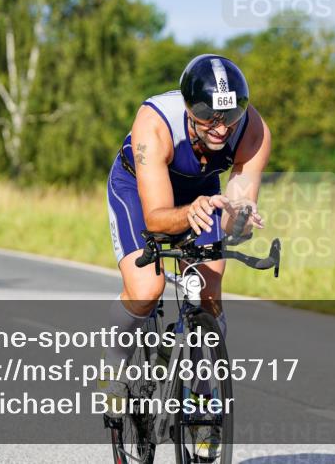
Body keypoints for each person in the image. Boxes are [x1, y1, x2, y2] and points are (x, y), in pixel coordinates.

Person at [101, 54, 271, 457]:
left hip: (202, 190)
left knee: (209, 293)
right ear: (188, 106)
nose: (219, 127)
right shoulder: (155, 123)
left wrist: (239, 216)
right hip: (139, 189)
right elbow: (158, 219)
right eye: (206, 116)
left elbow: (237, 218)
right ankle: (113, 364)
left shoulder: (253, 131)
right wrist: (188, 213)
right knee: (148, 286)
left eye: (227, 116)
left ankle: (201, 404)